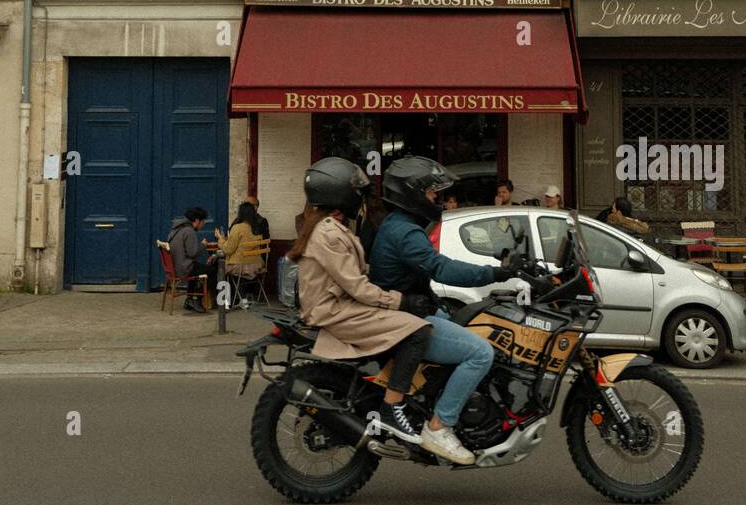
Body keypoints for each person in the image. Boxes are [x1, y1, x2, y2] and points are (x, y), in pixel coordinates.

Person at [368, 156, 524, 467]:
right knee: (480, 353)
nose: (437, 200)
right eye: (431, 194)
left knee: (475, 328)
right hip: (403, 320)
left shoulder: (402, 225)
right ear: (412, 195)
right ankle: (439, 426)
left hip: (410, 311)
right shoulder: (405, 232)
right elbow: (441, 269)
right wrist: (495, 273)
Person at [289, 157, 435, 450]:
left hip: (338, 306)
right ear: (340, 194)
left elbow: (354, 278)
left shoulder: (326, 226)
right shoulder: (329, 232)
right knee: (418, 331)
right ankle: (392, 409)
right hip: (335, 312)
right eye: (357, 192)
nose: (361, 198)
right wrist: (400, 301)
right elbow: (356, 286)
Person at [168, 206, 217, 314]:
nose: (204, 224)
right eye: (203, 221)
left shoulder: (175, 229)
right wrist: (203, 245)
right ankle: (196, 299)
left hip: (175, 267)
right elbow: (193, 253)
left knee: (199, 267)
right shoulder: (189, 231)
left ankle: (190, 298)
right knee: (212, 271)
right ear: (197, 221)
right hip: (184, 268)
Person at [216, 200, 267, 287]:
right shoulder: (258, 227)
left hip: (241, 267)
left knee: (219, 264)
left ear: (241, 214)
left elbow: (228, 250)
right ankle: (241, 295)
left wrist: (220, 239)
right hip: (258, 266)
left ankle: (224, 297)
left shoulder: (237, 228)